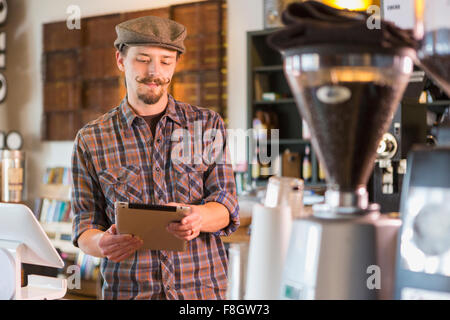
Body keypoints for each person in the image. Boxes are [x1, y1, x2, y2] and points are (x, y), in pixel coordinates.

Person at [71, 15, 239, 300]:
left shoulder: (207, 124)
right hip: (129, 292)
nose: (154, 71)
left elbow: (226, 204)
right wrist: (103, 243)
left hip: (203, 294)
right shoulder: (90, 139)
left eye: (165, 61)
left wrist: (197, 217)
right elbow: (85, 226)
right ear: (120, 60)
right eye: (143, 59)